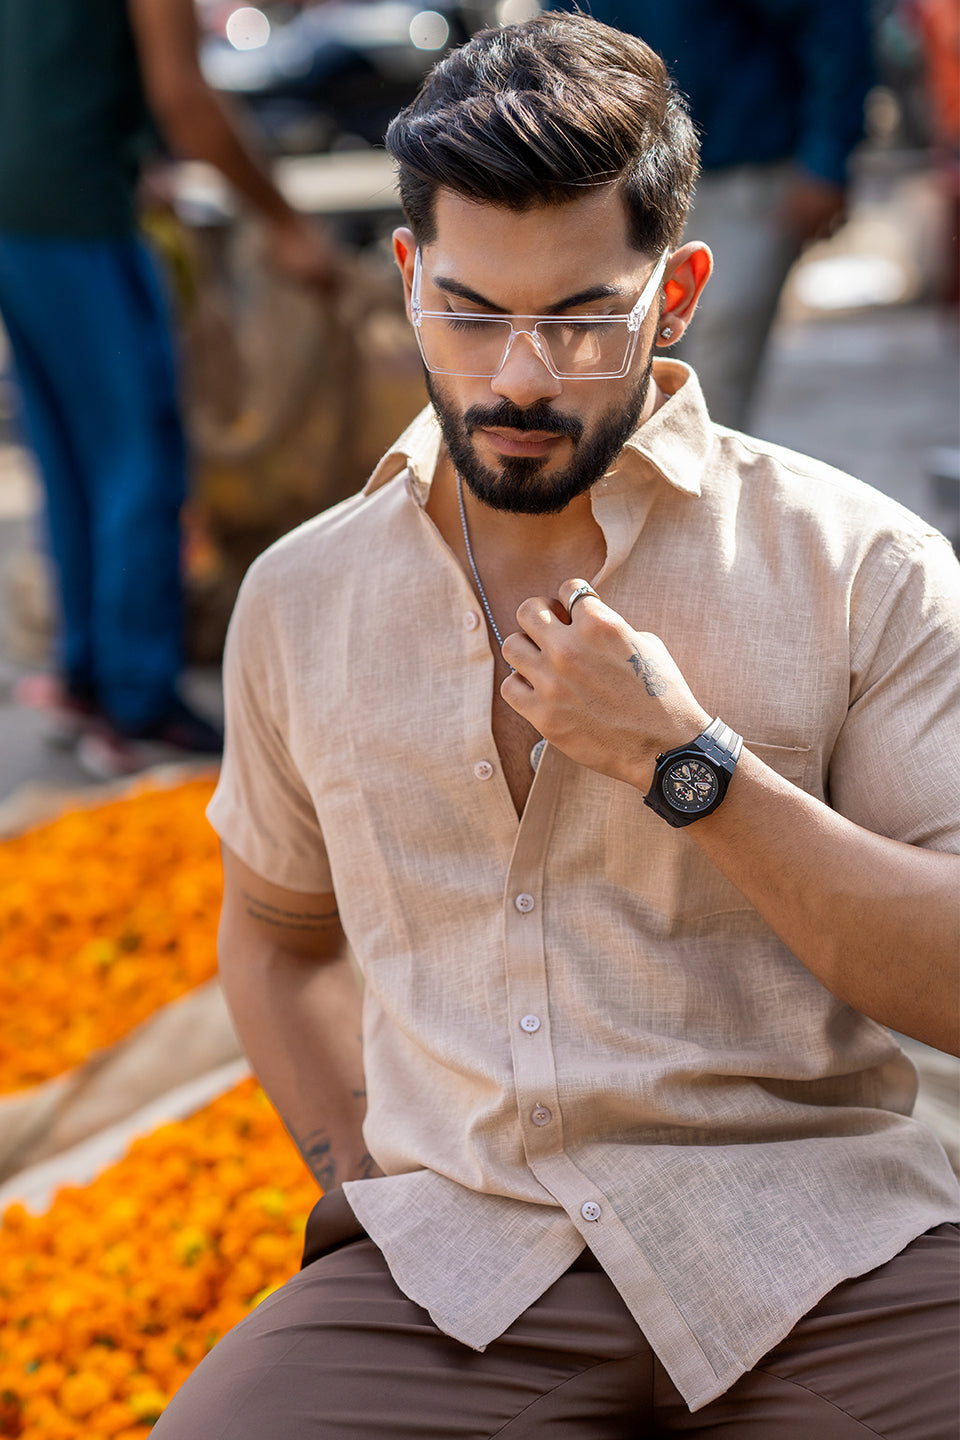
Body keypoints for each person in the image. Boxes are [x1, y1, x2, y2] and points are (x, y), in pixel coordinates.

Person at [154, 16, 959, 1437]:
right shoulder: (301, 600)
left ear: (681, 293)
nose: (519, 376)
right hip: (461, 1268)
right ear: (407, 280)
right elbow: (276, 943)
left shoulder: (860, 567)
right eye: (469, 312)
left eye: (582, 316)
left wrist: (688, 765)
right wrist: (364, 1188)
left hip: (826, 1247)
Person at [0, 0, 336, 778]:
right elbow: (184, 100)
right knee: (138, 453)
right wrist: (286, 222)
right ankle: (137, 702)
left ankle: (86, 673)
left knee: (69, 449)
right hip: (70, 206)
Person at [542, 0, 873, 430]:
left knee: (711, 393)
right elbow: (558, 43)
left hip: (742, 175)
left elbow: (833, 22)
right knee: (609, 379)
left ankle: (697, 496)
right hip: (610, 180)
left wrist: (827, 160)